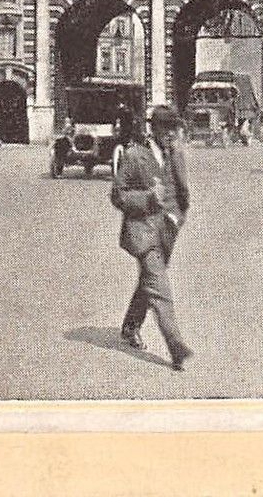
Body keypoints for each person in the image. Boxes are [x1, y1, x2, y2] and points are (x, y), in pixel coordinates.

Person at [109, 105, 193, 371]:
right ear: (153, 129)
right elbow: (117, 195)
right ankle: (176, 346)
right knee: (160, 286)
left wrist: (177, 218)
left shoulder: (173, 154)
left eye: (174, 128)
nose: (171, 134)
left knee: (149, 282)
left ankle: (130, 326)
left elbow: (182, 192)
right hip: (142, 231)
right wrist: (147, 198)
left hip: (166, 231)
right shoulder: (135, 156)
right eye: (166, 128)